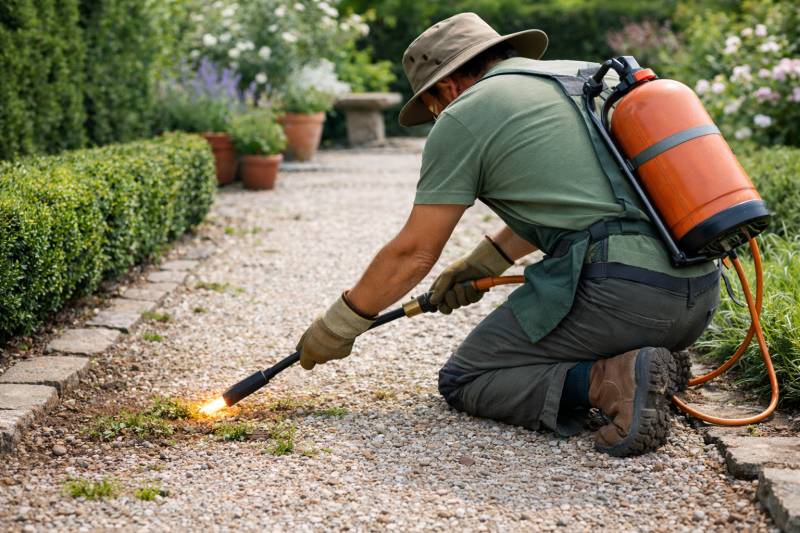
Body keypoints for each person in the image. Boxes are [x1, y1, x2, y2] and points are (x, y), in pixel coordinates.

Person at [295, 12, 720, 457]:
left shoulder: (465, 113)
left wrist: (340, 325)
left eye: (432, 105)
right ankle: (649, 361)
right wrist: (483, 263)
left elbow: (413, 253)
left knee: (466, 378)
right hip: (698, 294)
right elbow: (580, 201)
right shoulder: (592, 78)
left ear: (447, 86)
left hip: (622, 299)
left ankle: (610, 379)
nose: (438, 116)